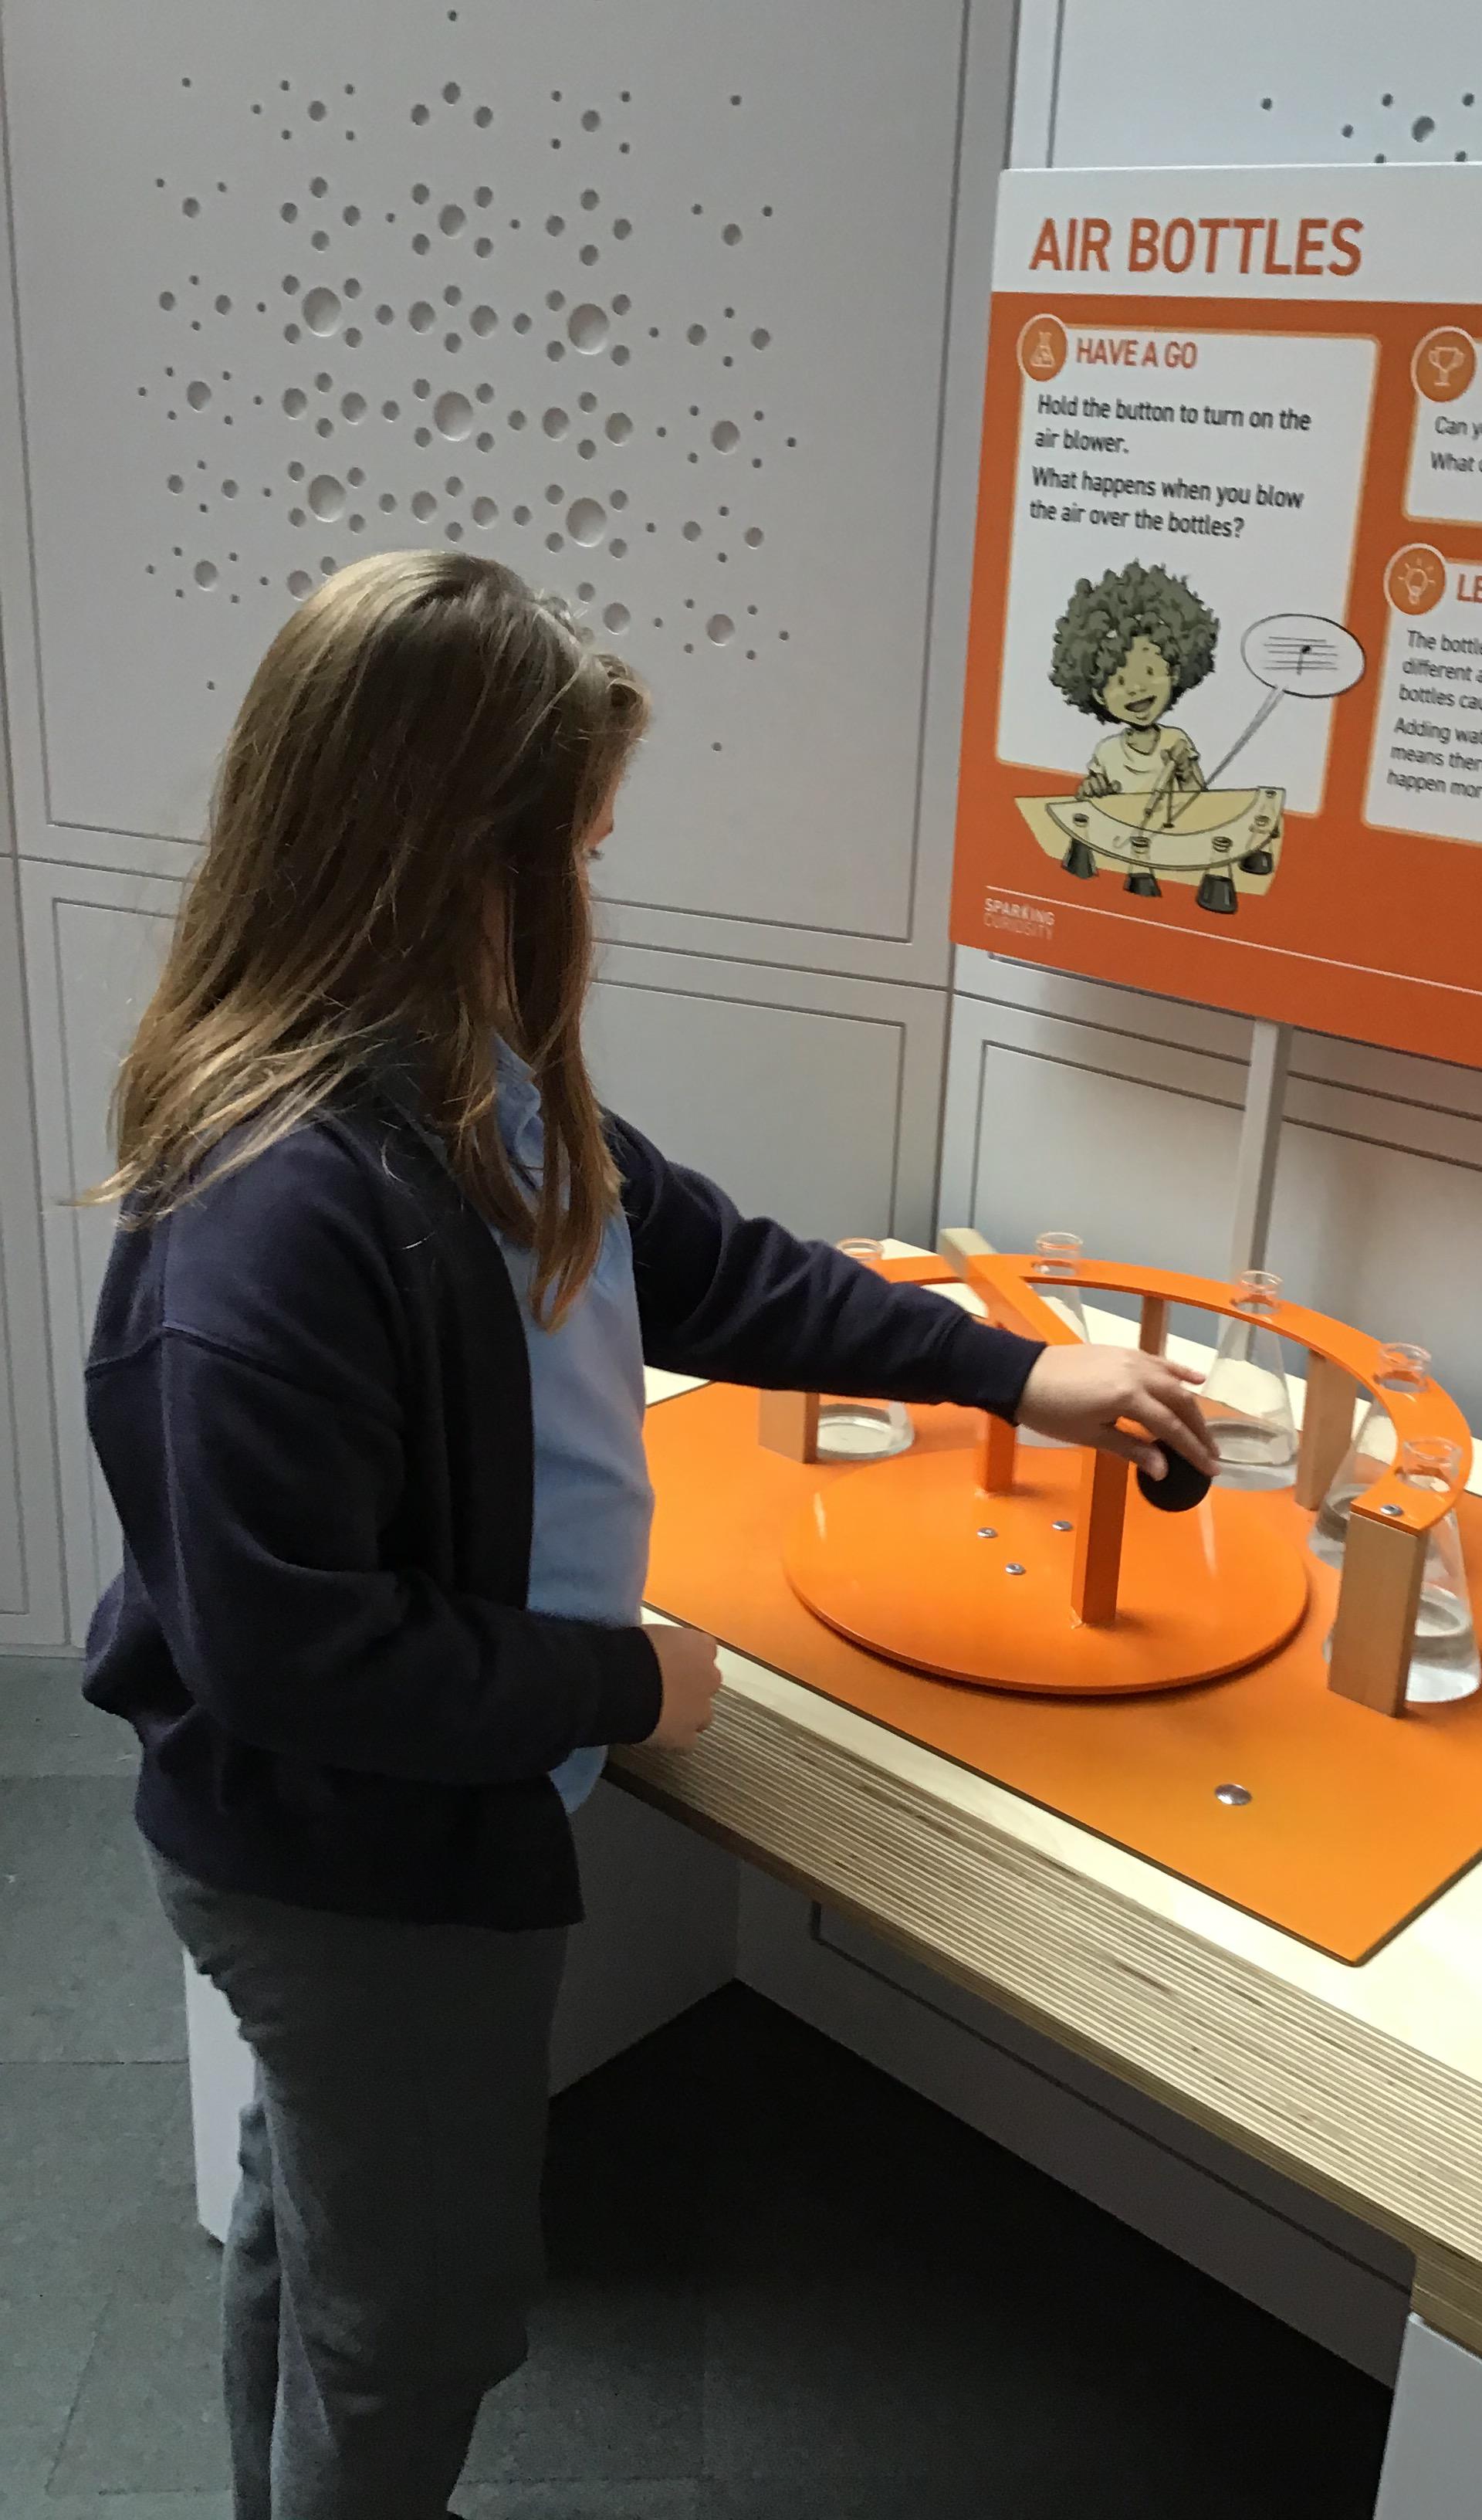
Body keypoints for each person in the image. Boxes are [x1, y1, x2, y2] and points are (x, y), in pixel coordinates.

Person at [80, 550, 1215, 2520]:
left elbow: (714, 1266)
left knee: (323, 2227)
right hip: (363, 1869)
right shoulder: (280, 1210)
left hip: (416, 1827)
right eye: (583, 852)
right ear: (465, 863)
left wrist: (1018, 1372)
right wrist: (623, 1682)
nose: (594, 894)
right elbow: (294, 1651)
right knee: (411, 2317)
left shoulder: (475, 1087)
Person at [1049, 560, 1220, 811]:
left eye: (1150, 672)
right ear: (1098, 694)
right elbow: (1095, 805)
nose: (1137, 689)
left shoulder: (1176, 741)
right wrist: (1092, 790)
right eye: (1120, 681)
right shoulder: (1107, 752)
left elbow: (1199, 804)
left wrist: (1185, 773)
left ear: (1174, 672)